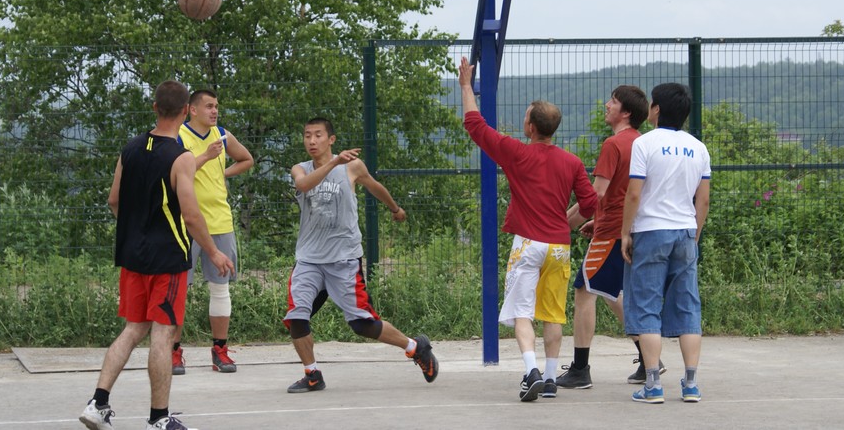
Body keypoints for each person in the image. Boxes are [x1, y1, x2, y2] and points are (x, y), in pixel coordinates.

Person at [79, 80, 235, 430]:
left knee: (133, 328)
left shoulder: (130, 149)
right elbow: (192, 215)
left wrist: (138, 230)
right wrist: (213, 251)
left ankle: (97, 403)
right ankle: (158, 419)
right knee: (162, 334)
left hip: (132, 254)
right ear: (184, 112)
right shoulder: (179, 157)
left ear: (154, 108)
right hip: (166, 258)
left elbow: (114, 200)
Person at [457, 57, 599, 402]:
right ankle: (551, 379)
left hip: (528, 245)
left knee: (522, 311)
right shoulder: (572, 162)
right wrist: (584, 222)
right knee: (553, 313)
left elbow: (475, 125)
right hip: (559, 247)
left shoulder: (517, 154)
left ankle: (530, 371)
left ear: (531, 127)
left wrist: (465, 86)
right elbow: (592, 203)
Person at [283, 116, 438, 393]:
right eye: (307, 136)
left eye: (318, 135)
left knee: (362, 325)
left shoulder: (352, 167)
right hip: (309, 259)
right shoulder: (300, 169)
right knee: (296, 317)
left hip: (343, 260)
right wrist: (333, 163)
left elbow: (373, 185)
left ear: (331, 139)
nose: (312, 141)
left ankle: (416, 347)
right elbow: (304, 185)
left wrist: (394, 208)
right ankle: (312, 375)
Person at [557, 85, 665, 389]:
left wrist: (562, 222)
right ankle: (648, 359)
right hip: (634, 228)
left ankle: (580, 369)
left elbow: (596, 194)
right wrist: (598, 218)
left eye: (613, 102)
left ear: (626, 112)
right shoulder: (644, 143)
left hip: (611, 233)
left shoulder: (613, 144)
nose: (606, 105)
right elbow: (629, 192)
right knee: (609, 291)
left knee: (583, 290)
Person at [620, 82, 710, 404]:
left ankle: (654, 385)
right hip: (685, 231)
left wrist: (625, 232)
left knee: (646, 307)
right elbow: (703, 199)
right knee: (688, 307)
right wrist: (694, 235)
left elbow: (634, 193)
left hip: (650, 231)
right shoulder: (698, 148)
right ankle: (691, 385)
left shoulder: (645, 144)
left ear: (655, 109)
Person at [173, 89, 254, 375]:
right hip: (184, 222)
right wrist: (206, 157)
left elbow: (246, 159)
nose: (214, 111)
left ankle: (220, 351)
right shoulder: (179, 136)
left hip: (219, 221)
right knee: (178, 288)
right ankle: (174, 352)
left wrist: (223, 173)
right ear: (192, 110)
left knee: (220, 288)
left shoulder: (221, 134)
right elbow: (175, 172)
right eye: (208, 106)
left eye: (216, 106)